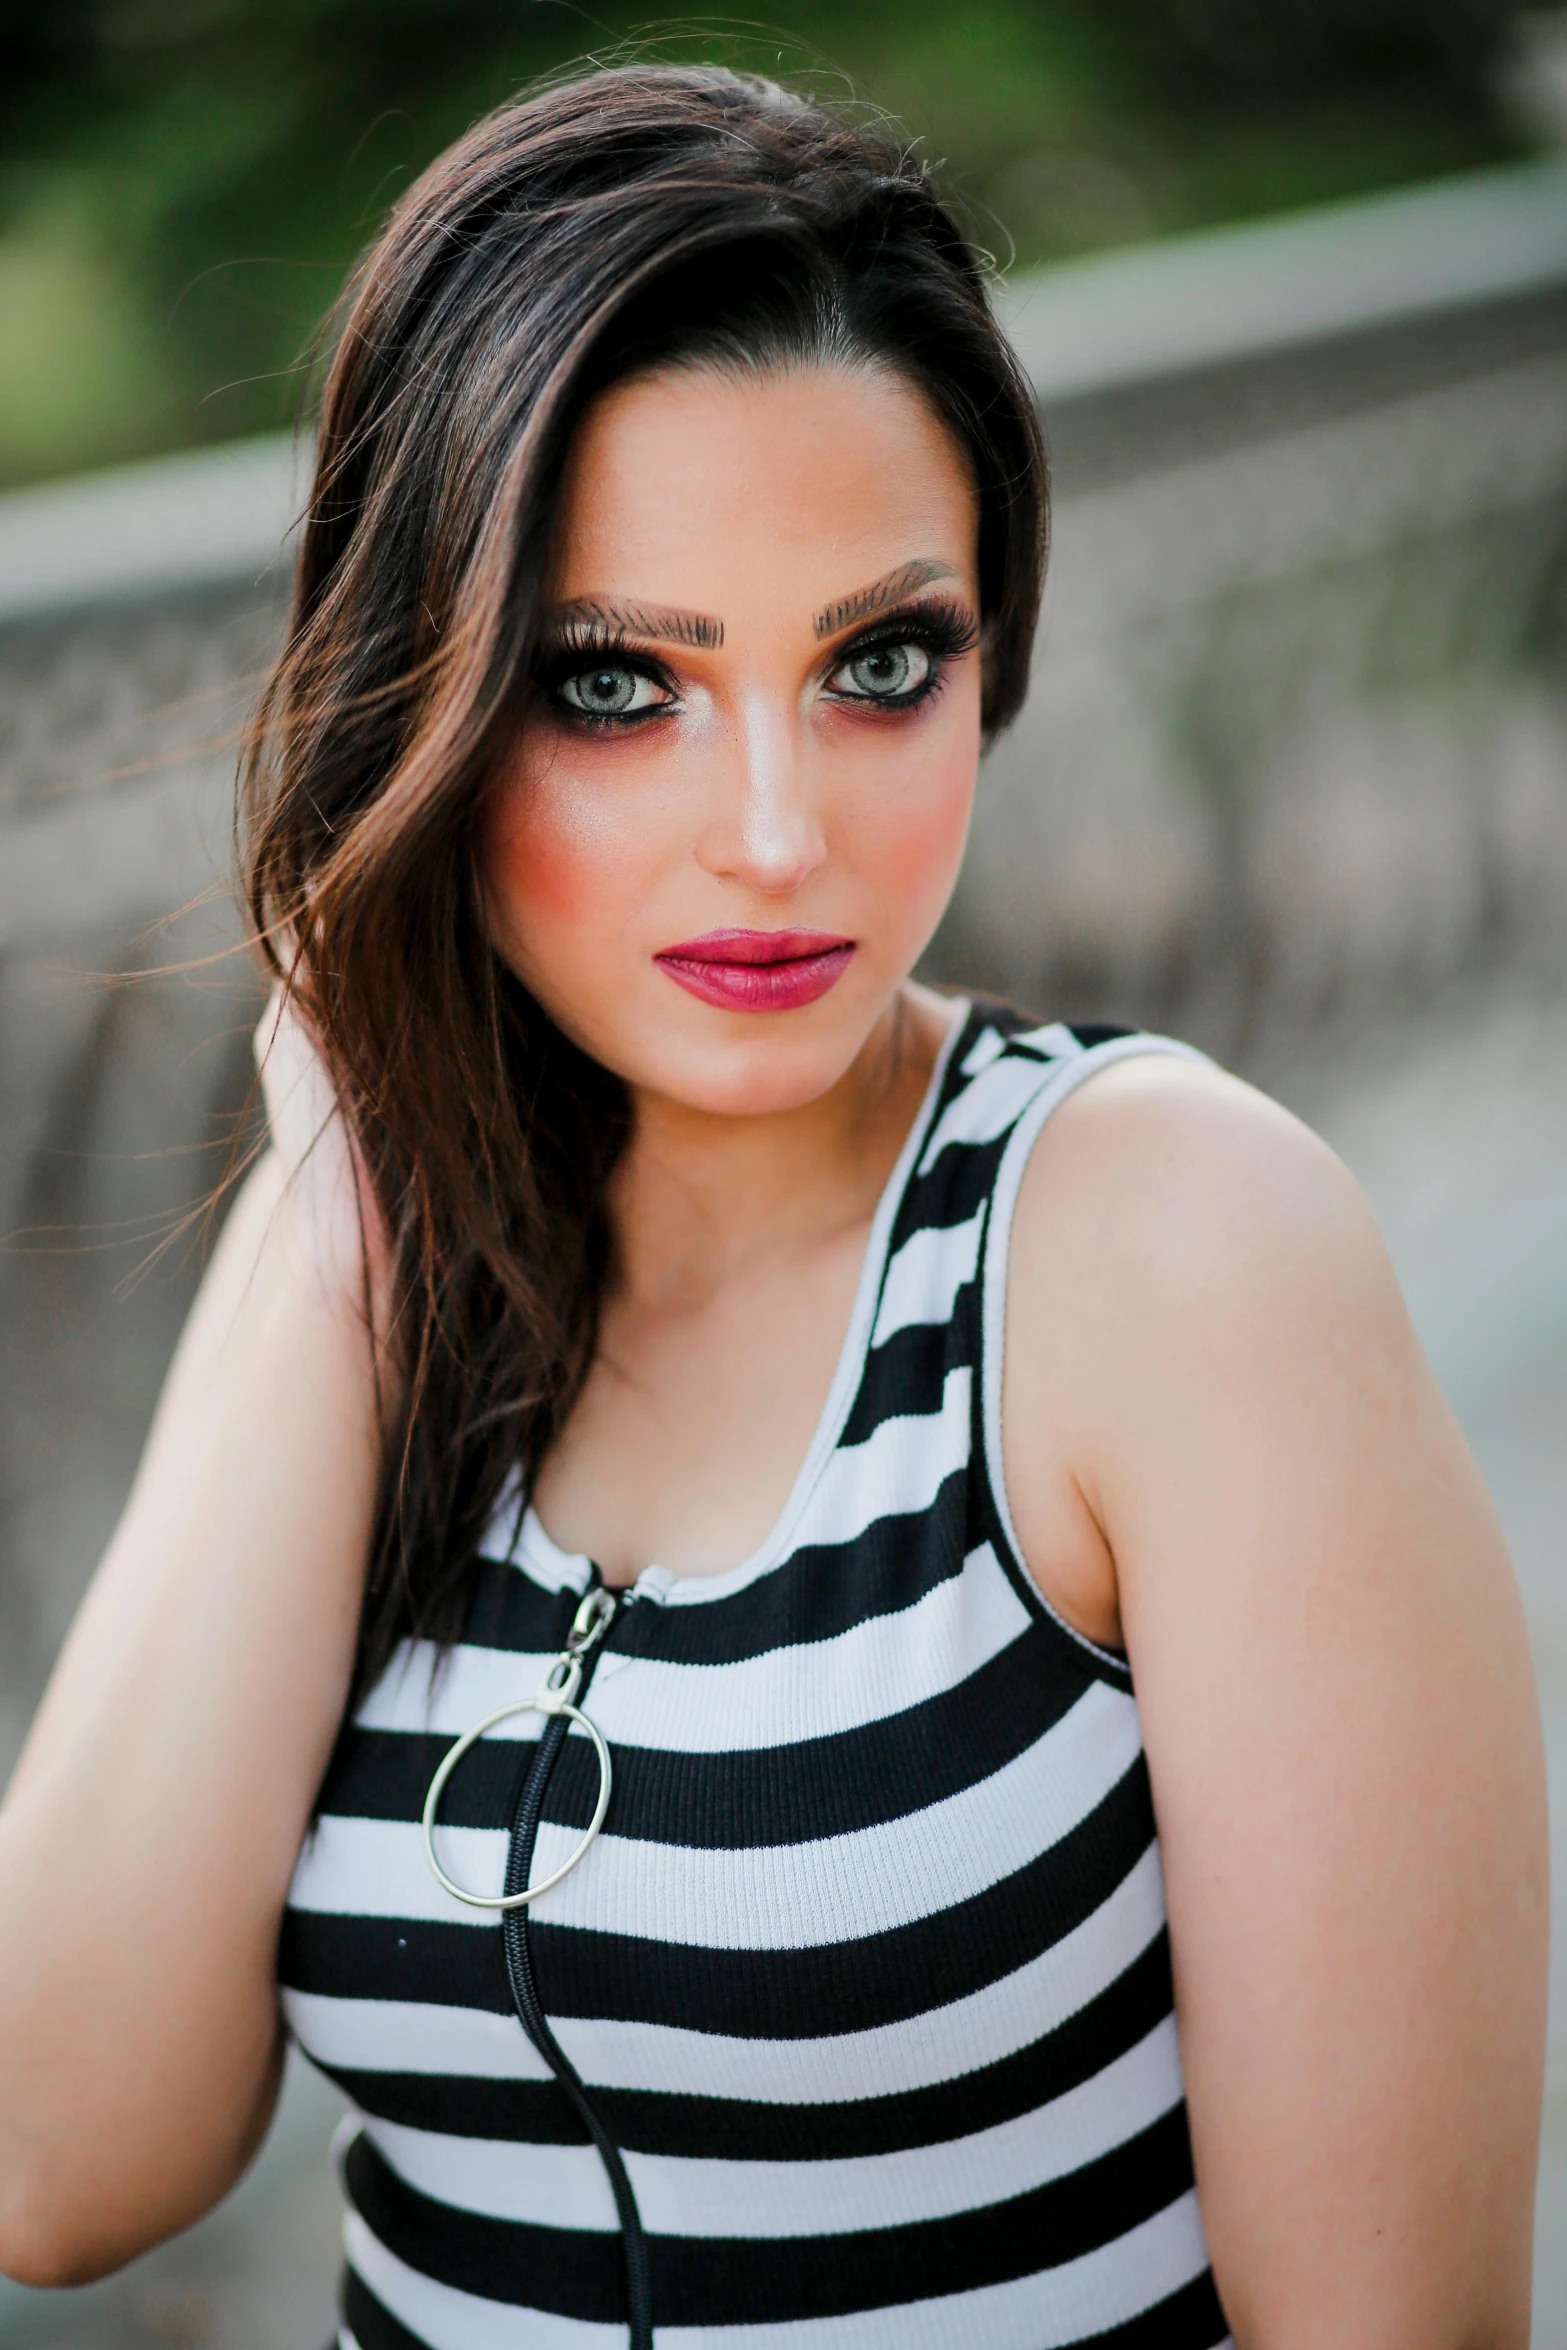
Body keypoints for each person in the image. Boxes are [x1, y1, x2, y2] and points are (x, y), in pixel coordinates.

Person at [0, 61, 1546, 2350]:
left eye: (876, 663)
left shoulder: (1169, 1249)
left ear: (991, 655)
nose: (775, 831)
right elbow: (58, 2161)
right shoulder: (371, 1248)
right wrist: (335, 1203)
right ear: (423, 698)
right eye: (619, 683)